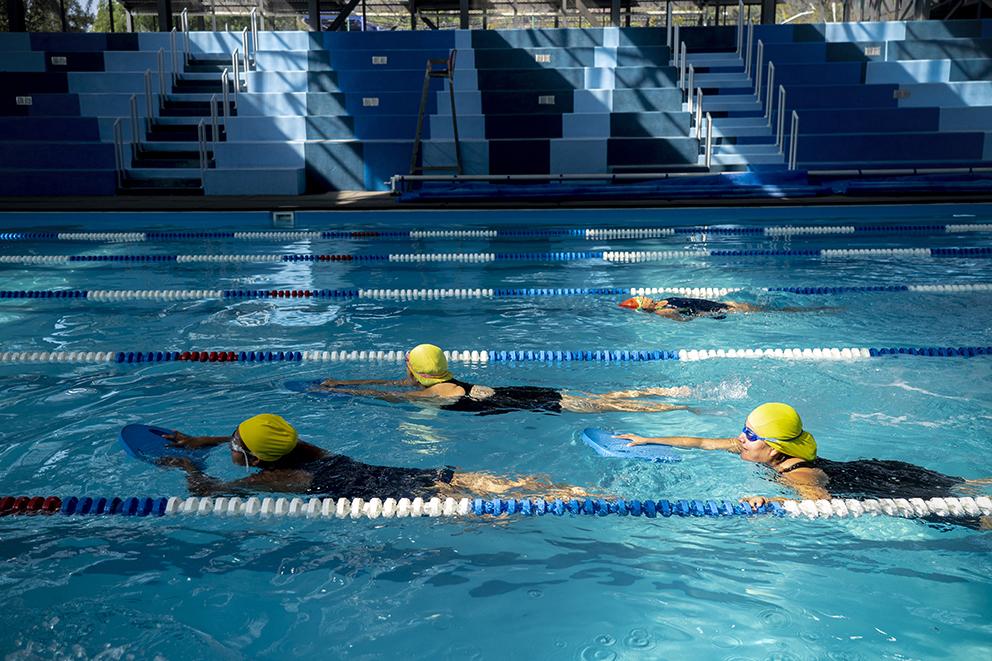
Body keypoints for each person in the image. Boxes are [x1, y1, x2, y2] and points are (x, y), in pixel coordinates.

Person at [615, 402, 991, 527]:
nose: (740, 439)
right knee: (969, 485)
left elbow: (819, 503)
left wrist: (772, 503)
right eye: (744, 430)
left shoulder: (800, 473)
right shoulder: (757, 449)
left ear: (774, 448)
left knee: (967, 512)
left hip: (884, 485)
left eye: (750, 435)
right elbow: (700, 441)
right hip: (876, 467)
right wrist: (647, 438)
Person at [159, 413, 590, 500]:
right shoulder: (306, 448)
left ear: (253, 458)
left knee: (520, 512)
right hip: (427, 475)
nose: (230, 444)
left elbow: (212, 492)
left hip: (421, 501)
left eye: (234, 444)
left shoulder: (278, 479)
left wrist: (186, 467)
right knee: (543, 492)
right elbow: (261, 439)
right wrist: (207, 440)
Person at [316, 343, 696, 416]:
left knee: (597, 407)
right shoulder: (438, 381)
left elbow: (392, 398)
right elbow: (396, 387)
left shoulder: (431, 396)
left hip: (523, 402)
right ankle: (660, 391)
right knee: (599, 396)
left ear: (414, 369)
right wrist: (342, 386)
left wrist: (357, 394)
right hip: (514, 392)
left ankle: (669, 404)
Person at [618, 295, 836, 322]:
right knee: (775, 312)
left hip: (722, 305)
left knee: (767, 307)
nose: (643, 296)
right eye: (640, 299)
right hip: (723, 312)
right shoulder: (661, 311)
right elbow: (684, 319)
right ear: (641, 307)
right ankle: (818, 311)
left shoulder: (663, 300)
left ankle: (817, 309)